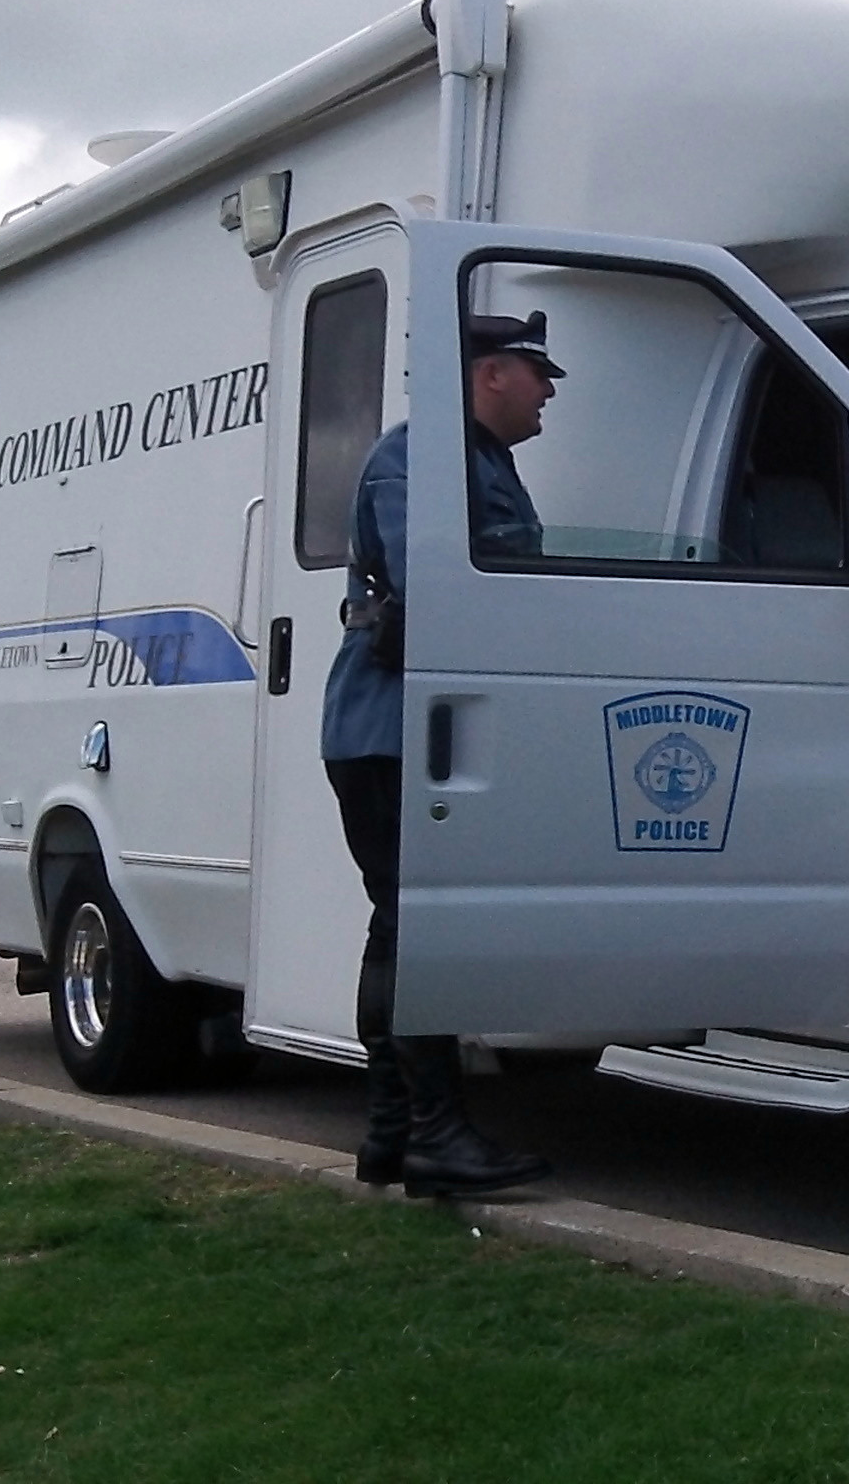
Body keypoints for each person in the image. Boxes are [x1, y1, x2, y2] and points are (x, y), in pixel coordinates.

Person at [322, 310, 563, 1200]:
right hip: (390, 730)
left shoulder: (482, 462)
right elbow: (438, 583)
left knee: (400, 926)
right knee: (413, 926)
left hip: (412, 728)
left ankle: (395, 1138)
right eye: (537, 375)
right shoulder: (419, 455)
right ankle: (432, 1134)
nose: (547, 394)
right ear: (491, 373)